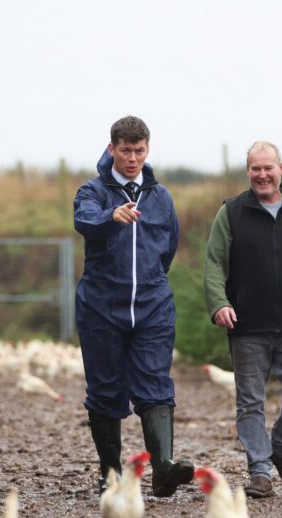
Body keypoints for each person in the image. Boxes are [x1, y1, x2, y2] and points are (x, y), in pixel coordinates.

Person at [203, 140, 282, 499]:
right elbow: (214, 263)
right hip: (247, 326)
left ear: (281, 169)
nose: (262, 175)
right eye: (255, 169)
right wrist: (218, 303)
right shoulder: (231, 212)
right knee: (250, 401)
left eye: (268, 168)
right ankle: (260, 471)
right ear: (248, 172)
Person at [73, 116, 194, 497]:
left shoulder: (161, 196)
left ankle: (163, 468)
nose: (132, 158)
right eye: (125, 150)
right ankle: (110, 473)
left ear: (147, 150)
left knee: (156, 383)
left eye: (139, 150)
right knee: (106, 390)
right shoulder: (92, 191)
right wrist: (112, 217)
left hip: (152, 306)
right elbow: (85, 221)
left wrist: (153, 284)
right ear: (112, 149)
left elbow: (168, 247)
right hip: (101, 307)